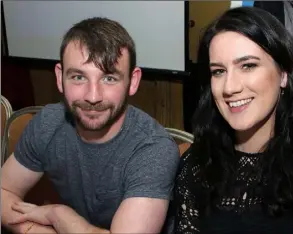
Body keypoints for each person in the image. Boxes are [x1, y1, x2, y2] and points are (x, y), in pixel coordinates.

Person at [174, 7, 293, 234]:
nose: (230, 87)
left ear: (283, 74)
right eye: (218, 71)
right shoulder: (197, 165)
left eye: (248, 66)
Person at [1, 17, 180, 234]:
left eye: (109, 79)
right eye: (78, 77)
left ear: (132, 82)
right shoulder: (48, 124)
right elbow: (3, 191)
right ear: (59, 77)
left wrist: (59, 215)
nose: (92, 96)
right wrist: (32, 230)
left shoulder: (154, 149)